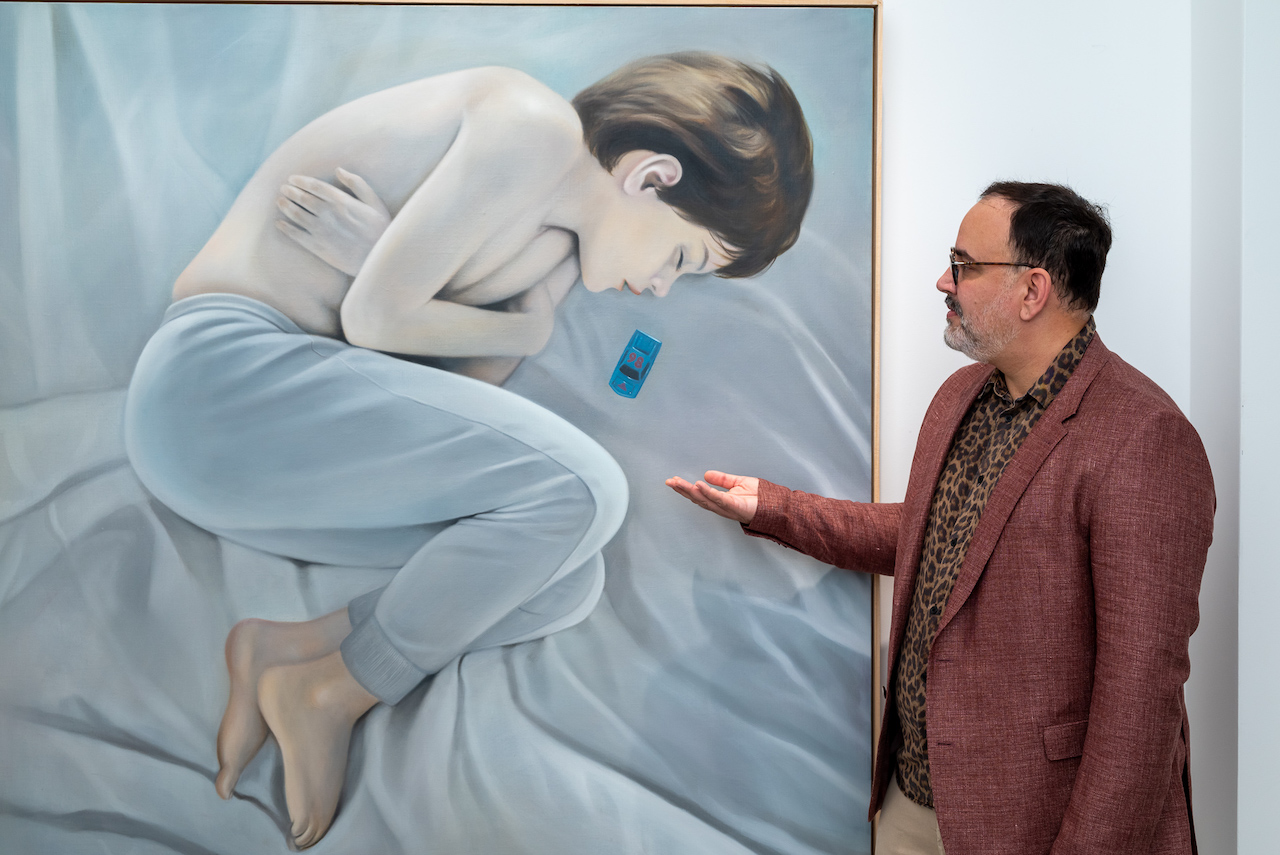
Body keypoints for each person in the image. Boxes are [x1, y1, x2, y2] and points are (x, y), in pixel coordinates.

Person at [124, 53, 812, 849]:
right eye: (683, 259)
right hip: (217, 384)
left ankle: (287, 647)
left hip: (268, 440)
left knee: (567, 577)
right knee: (590, 491)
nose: (660, 286)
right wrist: (516, 325)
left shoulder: (554, 258)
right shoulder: (531, 125)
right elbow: (378, 319)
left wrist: (427, 284)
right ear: (652, 176)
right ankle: (333, 692)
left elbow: (449, 397)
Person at [668, 182, 1214, 855]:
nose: (943, 281)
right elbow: (928, 537)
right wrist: (773, 507)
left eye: (963, 265)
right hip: (913, 799)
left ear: (1032, 290)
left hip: (1033, 823)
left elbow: (1140, 702)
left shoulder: (1144, 438)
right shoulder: (962, 397)